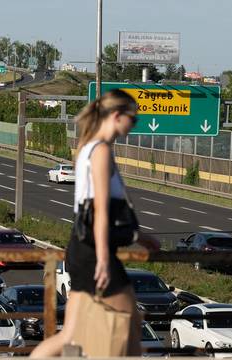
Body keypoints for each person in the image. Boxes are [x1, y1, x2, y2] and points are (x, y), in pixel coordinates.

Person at [30, 89, 160, 357]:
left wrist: (138, 237)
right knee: (129, 325)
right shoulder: (100, 151)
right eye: (132, 119)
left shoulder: (89, 147)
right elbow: (100, 210)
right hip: (93, 253)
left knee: (74, 333)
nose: (134, 125)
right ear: (116, 116)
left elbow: (95, 210)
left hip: (82, 249)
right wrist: (103, 258)